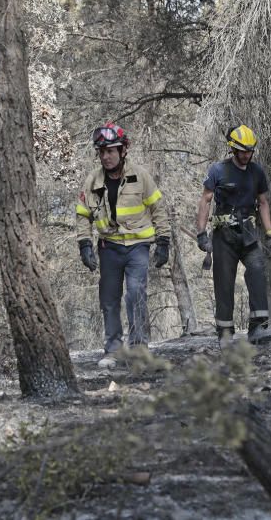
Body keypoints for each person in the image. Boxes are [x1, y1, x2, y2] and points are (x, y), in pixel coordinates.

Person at [76, 123, 170, 369]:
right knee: (108, 298)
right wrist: (84, 244)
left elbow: (158, 208)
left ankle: (139, 349)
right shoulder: (92, 181)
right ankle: (113, 350)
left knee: (135, 293)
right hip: (109, 247)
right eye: (102, 152)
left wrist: (164, 241)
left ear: (122, 150)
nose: (106, 156)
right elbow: (82, 214)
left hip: (138, 245)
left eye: (111, 151)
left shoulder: (140, 176)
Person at [195, 125, 271, 346]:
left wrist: (270, 232)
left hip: (249, 234)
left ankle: (258, 327)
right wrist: (201, 233)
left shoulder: (257, 172)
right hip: (224, 235)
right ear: (232, 149)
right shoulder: (217, 171)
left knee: (258, 270)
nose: (246, 155)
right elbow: (205, 200)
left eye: (249, 151)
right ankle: (225, 333)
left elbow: (263, 203)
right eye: (242, 151)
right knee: (224, 281)